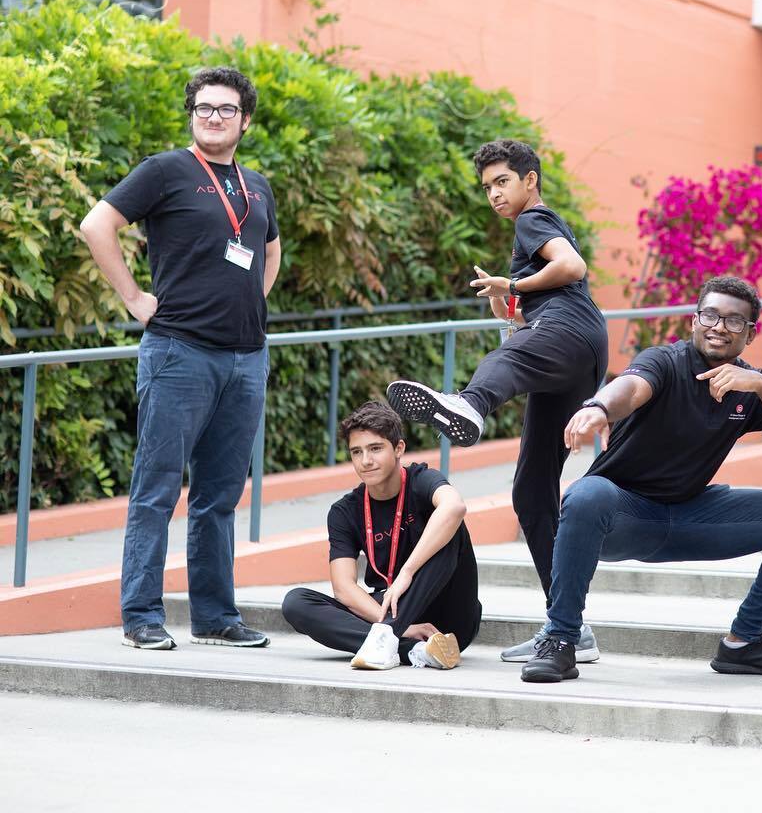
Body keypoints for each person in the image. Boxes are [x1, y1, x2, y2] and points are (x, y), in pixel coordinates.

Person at [518, 276, 762, 683]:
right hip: (621, 516)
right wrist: (599, 407)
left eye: (735, 321)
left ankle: (745, 643)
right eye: (710, 315)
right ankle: (562, 639)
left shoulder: (748, 386)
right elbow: (631, 389)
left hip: (690, 516)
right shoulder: (665, 361)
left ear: (750, 334)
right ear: (693, 320)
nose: (719, 326)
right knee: (586, 493)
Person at [385, 138, 608, 663]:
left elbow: (572, 267)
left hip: (570, 331)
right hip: (580, 346)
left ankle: (469, 404)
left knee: (494, 368)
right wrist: (509, 303)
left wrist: (512, 280)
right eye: (487, 187)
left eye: (502, 182)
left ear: (530, 180)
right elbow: (537, 314)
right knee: (532, 491)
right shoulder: (538, 227)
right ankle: (569, 624)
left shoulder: (532, 220)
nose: (494, 195)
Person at [80, 66, 278, 651]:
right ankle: (141, 614)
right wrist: (135, 299)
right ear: (193, 115)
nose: (213, 117)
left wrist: (248, 304)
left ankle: (215, 617)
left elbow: (268, 250)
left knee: (219, 495)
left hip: (246, 359)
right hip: (179, 352)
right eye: (203, 108)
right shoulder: (166, 171)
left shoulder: (257, 184)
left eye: (225, 109)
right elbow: (98, 225)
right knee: (157, 489)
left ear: (245, 119)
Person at [281, 402, 482, 670]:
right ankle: (413, 649)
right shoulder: (345, 511)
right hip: (393, 610)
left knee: (451, 526)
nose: (366, 461)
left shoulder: (421, 480)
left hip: (449, 613)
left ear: (399, 448)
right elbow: (344, 588)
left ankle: (388, 638)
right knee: (297, 602)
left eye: (375, 449)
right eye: (357, 452)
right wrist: (400, 625)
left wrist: (407, 573)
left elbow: (454, 506)